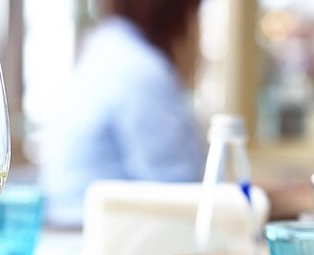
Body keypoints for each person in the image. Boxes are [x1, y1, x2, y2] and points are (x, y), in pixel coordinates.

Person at [42, 0, 206, 226]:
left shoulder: (106, 48)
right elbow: (178, 190)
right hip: (95, 234)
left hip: (70, 225)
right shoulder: (140, 70)